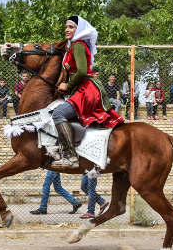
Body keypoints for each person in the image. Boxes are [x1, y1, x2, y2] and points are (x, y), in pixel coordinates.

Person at [50, 15, 124, 168]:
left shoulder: (78, 45)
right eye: (66, 27)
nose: (67, 29)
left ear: (79, 29)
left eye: (71, 27)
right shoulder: (75, 45)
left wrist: (68, 86)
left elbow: (82, 71)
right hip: (83, 88)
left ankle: (71, 157)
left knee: (59, 114)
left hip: (86, 90)